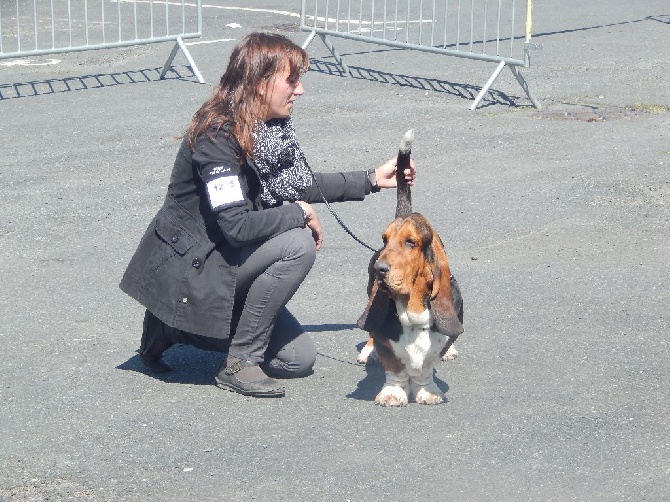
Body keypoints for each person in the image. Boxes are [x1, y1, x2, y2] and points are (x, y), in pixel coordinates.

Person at [119, 32, 416, 398]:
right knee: (297, 244)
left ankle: (177, 329)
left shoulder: (265, 128)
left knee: (298, 360)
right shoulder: (217, 135)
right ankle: (239, 361)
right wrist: (298, 214)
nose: (300, 90)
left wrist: (371, 179)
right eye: (292, 80)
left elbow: (296, 185)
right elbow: (238, 226)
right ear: (261, 85)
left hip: (226, 258)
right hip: (194, 267)